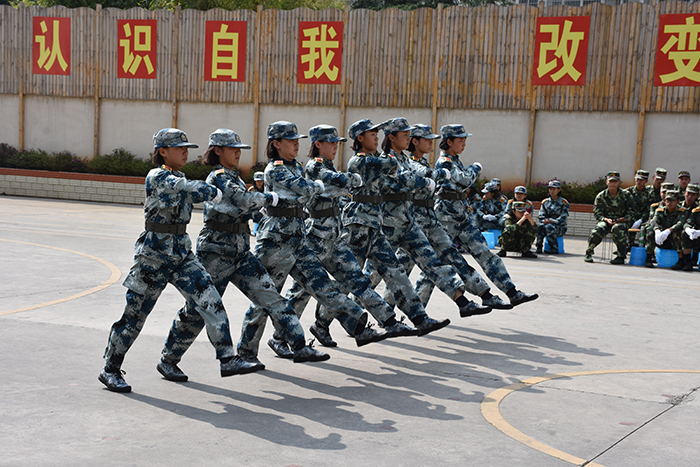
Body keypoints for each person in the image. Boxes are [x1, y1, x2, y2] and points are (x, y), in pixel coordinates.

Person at [157, 129, 330, 381]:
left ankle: (299, 345)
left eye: (240, 149)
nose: (238, 153)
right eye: (232, 149)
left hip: (240, 251)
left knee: (271, 296)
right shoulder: (218, 177)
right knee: (197, 311)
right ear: (218, 151)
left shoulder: (234, 177)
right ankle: (168, 360)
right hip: (216, 252)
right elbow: (242, 200)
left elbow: (247, 208)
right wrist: (269, 198)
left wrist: (265, 213)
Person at [99, 128, 238, 393]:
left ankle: (225, 358)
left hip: (182, 253)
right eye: (179, 148)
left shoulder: (180, 177)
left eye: (187, 148)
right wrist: (208, 189)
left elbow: (194, 193)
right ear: (163, 151)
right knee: (134, 316)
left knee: (209, 299)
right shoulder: (158, 176)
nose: (186, 153)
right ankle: (110, 369)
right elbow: (187, 188)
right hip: (153, 256)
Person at [241, 121, 391, 360]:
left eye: (297, 141)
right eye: (290, 141)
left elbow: (315, 191)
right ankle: (246, 351)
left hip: (298, 237)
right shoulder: (275, 170)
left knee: (322, 285)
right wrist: (322, 186)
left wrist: (322, 187)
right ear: (276, 144)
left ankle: (354, 326)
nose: (296, 145)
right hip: (275, 241)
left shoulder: (295, 166)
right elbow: (305, 189)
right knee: (266, 297)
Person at [283, 124, 420, 347]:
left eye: (337, 143)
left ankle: (388, 321)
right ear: (318, 144)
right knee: (301, 291)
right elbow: (341, 182)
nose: (335, 147)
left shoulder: (329, 166)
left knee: (358, 279)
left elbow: (343, 185)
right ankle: (281, 336)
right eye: (331, 143)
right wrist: (352, 181)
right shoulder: (314, 166)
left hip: (335, 235)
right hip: (317, 236)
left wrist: (349, 182)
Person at [371, 117, 493, 318]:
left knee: (433, 263)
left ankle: (461, 302)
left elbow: (416, 173)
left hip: (410, 223)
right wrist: (429, 179)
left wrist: (429, 178)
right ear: (392, 137)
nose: (408, 138)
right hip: (389, 226)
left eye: (409, 134)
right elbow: (409, 177)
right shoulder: (387, 160)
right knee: (375, 276)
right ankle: (350, 316)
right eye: (405, 135)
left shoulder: (404, 159)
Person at [340, 118, 451, 335]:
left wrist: (406, 174)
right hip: (358, 225)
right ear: (360, 138)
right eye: (372, 134)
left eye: (377, 134)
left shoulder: (379, 160)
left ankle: (418, 318)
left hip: (376, 224)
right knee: (349, 279)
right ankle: (322, 323)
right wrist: (418, 176)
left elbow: (395, 180)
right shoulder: (359, 162)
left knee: (395, 272)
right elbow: (393, 169)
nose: (376, 137)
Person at [390, 123, 511, 311]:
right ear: (415, 141)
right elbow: (429, 176)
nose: (431, 143)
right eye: (427, 139)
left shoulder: (427, 162)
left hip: (429, 220)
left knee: (437, 265)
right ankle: (389, 314)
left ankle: (482, 296)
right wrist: (467, 170)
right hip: (412, 223)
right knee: (399, 270)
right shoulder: (414, 163)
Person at [431, 124, 538, 306]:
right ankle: (418, 312)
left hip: (461, 216)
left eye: (465, 140)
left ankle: (512, 292)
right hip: (446, 218)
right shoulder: (445, 162)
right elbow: (465, 180)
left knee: (485, 253)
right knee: (439, 266)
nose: (464, 144)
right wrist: (475, 168)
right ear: (449, 141)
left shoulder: (456, 161)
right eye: (460, 140)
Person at [583, 171, 634, 264]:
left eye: (615, 181)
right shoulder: (601, 196)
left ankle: (621, 256)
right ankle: (589, 252)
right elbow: (597, 213)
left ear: (619, 183)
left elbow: (631, 212)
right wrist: (605, 219)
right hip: (606, 220)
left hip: (621, 221)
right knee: (599, 228)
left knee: (617, 228)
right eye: (611, 181)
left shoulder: (626, 195)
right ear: (607, 182)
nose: (613, 184)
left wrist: (624, 219)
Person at [645, 191, 688, 269]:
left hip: (674, 239)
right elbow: (654, 221)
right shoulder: (659, 211)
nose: (669, 203)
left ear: (678, 201)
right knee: (650, 231)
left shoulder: (683, 211)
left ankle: (681, 261)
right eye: (668, 200)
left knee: (679, 233)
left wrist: (669, 231)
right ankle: (648, 258)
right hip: (662, 238)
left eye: (672, 200)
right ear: (664, 201)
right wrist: (657, 230)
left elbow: (681, 223)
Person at [535, 180, 568, 254]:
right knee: (540, 226)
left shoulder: (563, 203)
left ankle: (554, 248)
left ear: (559, 190)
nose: (552, 191)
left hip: (560, 227)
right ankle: (539, 247)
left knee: (549, 227)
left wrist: (552, 221)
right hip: (547, 224)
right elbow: (541, 215)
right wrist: (544, 220)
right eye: (550, 189)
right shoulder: (545, 202)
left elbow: (563, 218)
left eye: (554, 189)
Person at [680, 202, 700, 271]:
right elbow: (688, 222)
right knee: (684, 234)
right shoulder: (696, 212)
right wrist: (688, 229)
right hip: (697, 237)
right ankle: (688, 262)